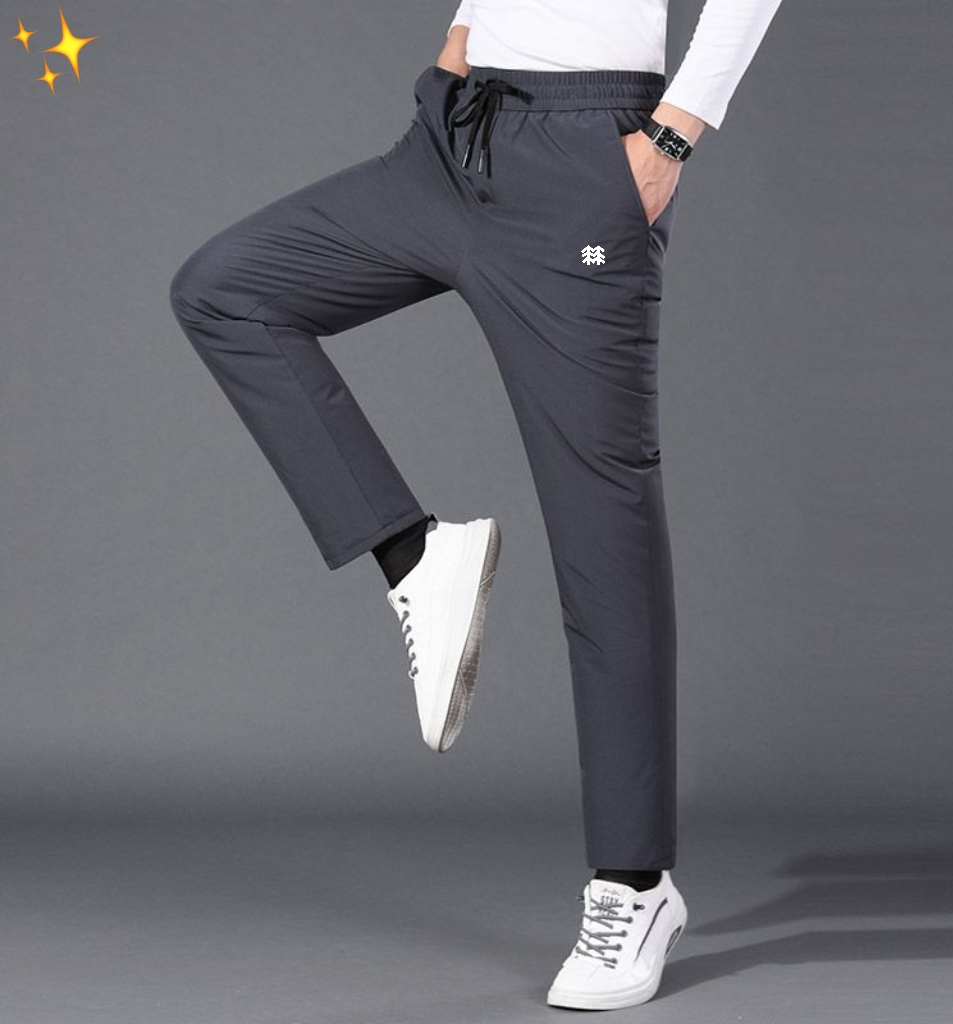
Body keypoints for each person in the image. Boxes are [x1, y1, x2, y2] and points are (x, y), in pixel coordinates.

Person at [168, 0, 783, 1010]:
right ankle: (415, 556)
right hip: (455, 135)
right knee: (226, 291)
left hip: (588, 160)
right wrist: (462, 39)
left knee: (603, 527)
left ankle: (633, 885)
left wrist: (673, 135)